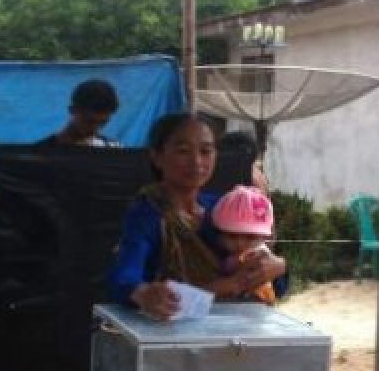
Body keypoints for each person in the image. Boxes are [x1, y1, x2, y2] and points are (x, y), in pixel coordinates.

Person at [108, 113, 287, 320]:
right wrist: (143, 293)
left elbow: (270, 280)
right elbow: (123, 277)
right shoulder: (147, 214)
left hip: (235, 328)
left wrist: (278, 267)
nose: (196, 161)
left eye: (206, 151)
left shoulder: (224, 208)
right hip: (170, 331)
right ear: (157, 156)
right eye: (183, 151)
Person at [23, 79, 120, 371]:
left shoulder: (115, 156)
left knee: (106, 344)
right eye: (89, 119)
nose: (95, 127)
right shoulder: (41, 156)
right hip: (52, 268)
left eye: (102, 122)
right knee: (47, 342)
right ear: (72, 110)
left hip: (100, 268)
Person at [211, 185, 278, 305]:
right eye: (232, 236)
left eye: (250, 237)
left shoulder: (259, 253)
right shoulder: (216, 253)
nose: (240, 243)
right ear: (220, 234)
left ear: (264, 237)